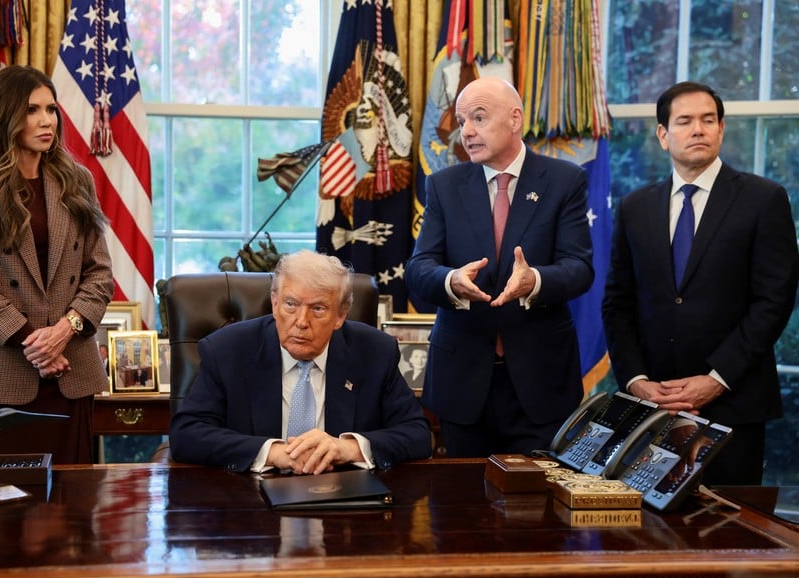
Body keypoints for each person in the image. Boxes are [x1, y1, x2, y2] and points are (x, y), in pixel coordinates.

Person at [601, 81, 799, 486]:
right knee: (650, 537)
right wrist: (636, 379)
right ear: (663, 134)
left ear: (721, 129)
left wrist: (716, 379)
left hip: (733, 404)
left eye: (708, 120)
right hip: (652, 407)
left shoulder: (764, 199)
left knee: (727, 536)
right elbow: (617, 302)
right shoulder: (635, 207)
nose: (698, 130)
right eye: (685, 121)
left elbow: (773, 301)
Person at [405, 77, 594, 457]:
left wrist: (536, 281)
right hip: (463, 380)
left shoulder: (563, 180)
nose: (467, 132)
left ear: (514, 119)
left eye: (478, 117)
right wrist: (451, 280)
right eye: (461, 122)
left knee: (536, 509)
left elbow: (579, 268)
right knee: (461, 509)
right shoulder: (444, 185)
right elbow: (419, 268)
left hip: (539, 381)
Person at [0, 65, 114, 464]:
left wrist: (63, 331)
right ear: (4, 116)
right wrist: (36, 345)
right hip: (1, 373)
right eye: (31, 110)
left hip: (71, 372)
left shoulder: (77, 179)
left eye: (51, 109)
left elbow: (100, 274)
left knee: (72, 514)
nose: (46, 121)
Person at [169, 249, 432, 473]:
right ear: (274, 304)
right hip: (251, 501)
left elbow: (418, 434)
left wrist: (347, 448)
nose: (301, 322)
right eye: (291, 304)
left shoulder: (375, 352)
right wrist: (271, 452)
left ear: (340, 316)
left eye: (318, 308)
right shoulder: (227, 350)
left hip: (345, 501)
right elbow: (187, 434)